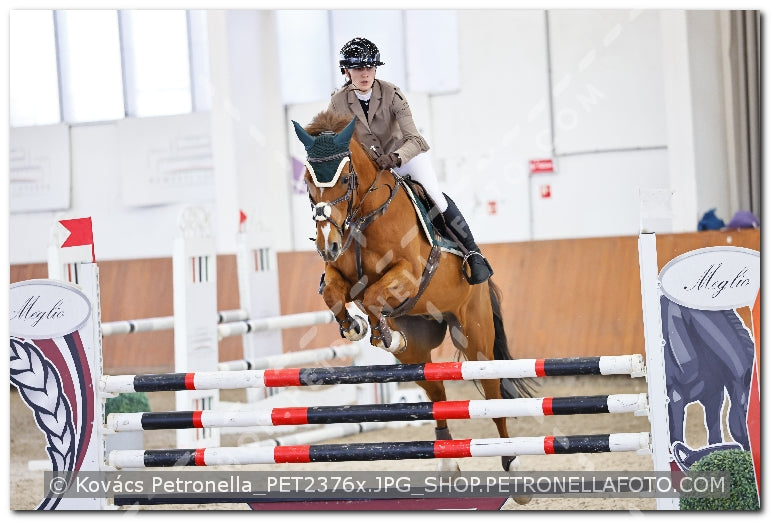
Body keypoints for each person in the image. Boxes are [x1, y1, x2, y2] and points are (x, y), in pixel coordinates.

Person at [328, 37, 493, 284]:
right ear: (346, 71)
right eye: (359, 69)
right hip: (369, 166)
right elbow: (337, 141)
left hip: (404, 155)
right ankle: (334, 262)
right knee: (341, 199)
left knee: (434, 195)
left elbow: (414, 138)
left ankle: (473, 254)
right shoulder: (338, 101)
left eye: (370, 68)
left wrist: (395, 157)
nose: (365, 74)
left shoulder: (392, 94)